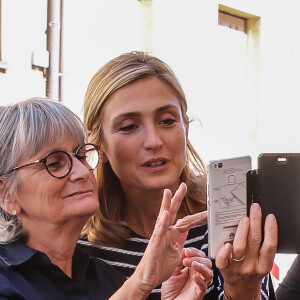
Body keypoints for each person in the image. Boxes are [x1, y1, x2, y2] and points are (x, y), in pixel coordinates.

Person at [80, 51, 278, 300]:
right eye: (129, 126)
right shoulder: (82, 244)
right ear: (98, 144)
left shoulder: (227, 222)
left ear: (186, 127)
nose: (153, 141)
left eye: (167, 120)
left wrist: (242, 291)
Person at [0, 98, 212, 299]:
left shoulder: (104, 276)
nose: (81, 172)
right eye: (54, 163)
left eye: (81, 156)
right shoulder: (5, 280)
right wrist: (139, 284)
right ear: (7, 194)